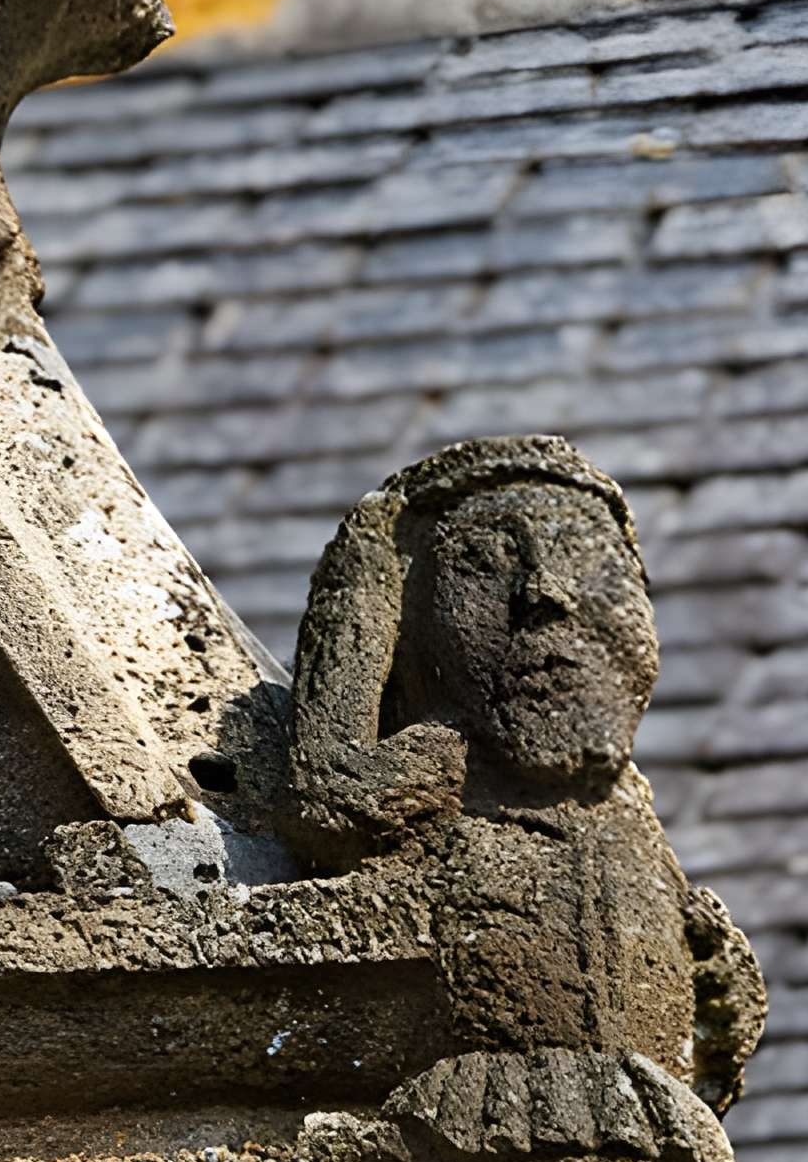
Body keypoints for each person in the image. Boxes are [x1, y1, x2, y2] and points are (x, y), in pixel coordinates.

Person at [284, 435, 763, 1114]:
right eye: (483, 562)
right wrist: (362, 571)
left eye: (586, 558)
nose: (544, 589)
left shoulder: (630, 814)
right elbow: (331, 788)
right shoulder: (438, 773)